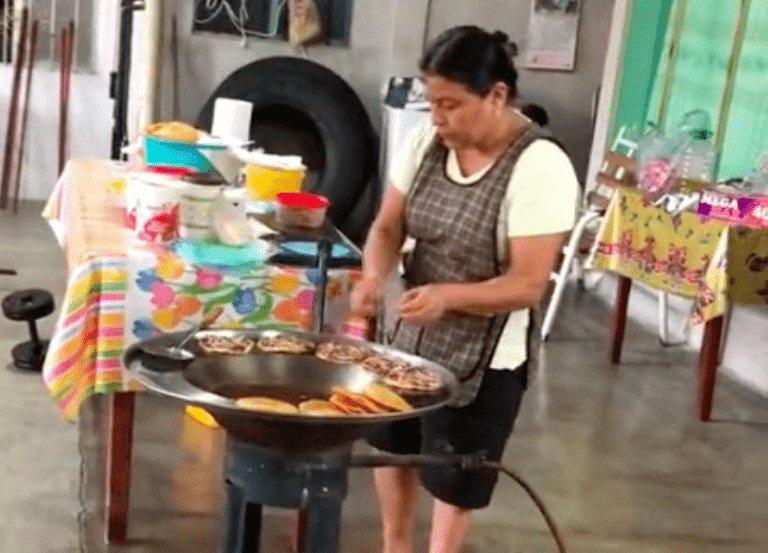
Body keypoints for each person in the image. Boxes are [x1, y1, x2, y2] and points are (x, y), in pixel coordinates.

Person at [351, 26, 579, 553]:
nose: (437, 118)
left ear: (496, 95)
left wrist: (448, 297)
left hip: (485, 358)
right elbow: (387, 227)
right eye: (431, 103)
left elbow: (527, 283)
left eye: (451, 105)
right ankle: (394, 545)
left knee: (454, 472)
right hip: (408, 333)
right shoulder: (426, 143)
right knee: (393, 446)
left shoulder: (540, 166)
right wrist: (373, 277)